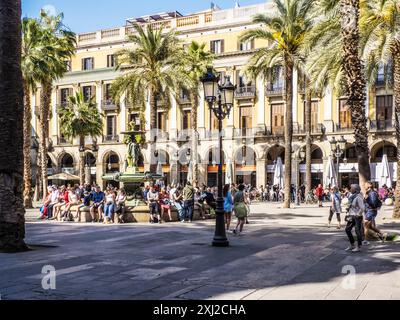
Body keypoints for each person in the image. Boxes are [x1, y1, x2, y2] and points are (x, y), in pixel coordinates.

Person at [345, 184, 365, 253]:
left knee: (357, 231)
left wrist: (358, 214)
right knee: (347, 229)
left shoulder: (358, 197)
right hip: (351, 216)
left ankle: (359, 246)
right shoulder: (352, 196)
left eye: (351, 188)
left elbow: (362, 208)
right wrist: (348, 208)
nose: (350, 189)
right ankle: (352, 244)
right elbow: (351, 205)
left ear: (355, 190)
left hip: (357, 217)